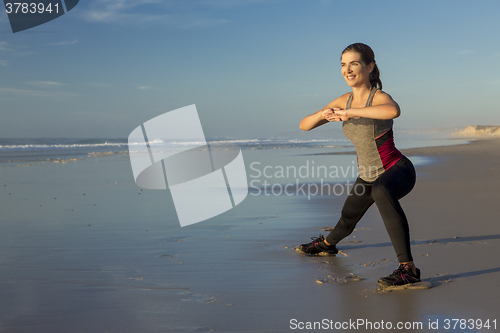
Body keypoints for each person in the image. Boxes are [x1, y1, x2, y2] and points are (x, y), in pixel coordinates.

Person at [298, 43, 420, 287]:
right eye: (343, 64)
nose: (348, 69)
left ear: (370, 66)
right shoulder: (344, 100)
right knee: (347, 218)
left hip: (397, 170)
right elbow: (305, 125)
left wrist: (351, 112)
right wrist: (326, 113)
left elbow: (393, 110)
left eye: (354, 63)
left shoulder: (379, 97)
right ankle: (327, 245)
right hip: (367, 175)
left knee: (381, 190)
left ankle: (408, 269)